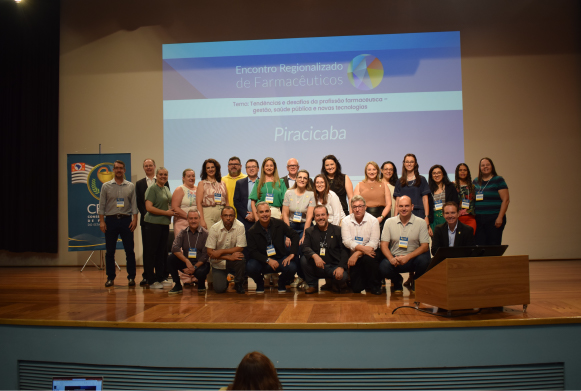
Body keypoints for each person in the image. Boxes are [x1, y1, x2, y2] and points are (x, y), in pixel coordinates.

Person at [98, 160, 138, 287]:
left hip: (126, 220)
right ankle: (110, 277)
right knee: (110, 251)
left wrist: (135, 219)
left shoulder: (130, 186)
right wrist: (102, 221)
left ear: (124, 170)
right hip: (111, 221)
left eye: (121, 168)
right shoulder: (106, 186)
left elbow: (134, 205)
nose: (119, 170)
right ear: (113, 170)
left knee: (130, 251)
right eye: (116, 168)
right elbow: (102, 205)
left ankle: (131, 277)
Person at [392, 154, 429, 288]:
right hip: (402, 214)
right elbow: (397, 201)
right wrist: (396, 216)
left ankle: (415, 279)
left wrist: (426, 217)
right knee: (406, 244)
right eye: (407, 162)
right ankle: (409, 278)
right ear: (404, 163)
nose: (409, 164)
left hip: (418, 213)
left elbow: (425, 199)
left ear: (415, 164)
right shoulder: (400, 181)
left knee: (418, 246)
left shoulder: (422, 180)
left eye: (411, 162)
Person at [379, 195, 430, 293]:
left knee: (425, 260)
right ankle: (397, 280)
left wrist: (408, 257)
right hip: (395, 259)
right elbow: (383, 245)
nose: (403, 209)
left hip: (413, 258)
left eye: (406, 206)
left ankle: (416, 281)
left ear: (412, 207)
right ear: (397, 207)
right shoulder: (389, 222)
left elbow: (425, 247)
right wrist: (391, 258)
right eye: (401, 206)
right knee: (383, 267)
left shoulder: (421, 222)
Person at [246, 201, 298, 293]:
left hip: (279, 259)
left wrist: (292, 254)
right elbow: (253, 252)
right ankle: (259, 283)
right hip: (262, 261)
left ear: (270, 212)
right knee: (250, 266)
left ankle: (281, 282)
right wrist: (268, 260)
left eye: (266, 211)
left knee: (292, 266)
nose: (264, 214)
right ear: (257, 214)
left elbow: (295, 235)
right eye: (261, 212)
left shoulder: (279, 224)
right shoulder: (252, 231)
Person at [136, 158, 169, 286]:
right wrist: (149, 215)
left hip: (162, 222)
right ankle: (149, 277)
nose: (148, 167)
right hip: (148, 222)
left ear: (154, 166)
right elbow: (140, 203)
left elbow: (167, 200)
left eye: (150, 165)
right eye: (146, 166)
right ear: (143, 168)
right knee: (149, 251)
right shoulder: (139, 184)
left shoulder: (163, 182)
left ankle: (161, 276)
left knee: (161, 250)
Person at [301, 205, 349, 294]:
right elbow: (305, 247)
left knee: (343, 277)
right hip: (318, 267)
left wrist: (341, 267)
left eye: (323, 215)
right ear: (314, 217)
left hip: (334, 266)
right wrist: (314, 256)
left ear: (327, 215)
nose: (320, 218)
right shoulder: (309, 231)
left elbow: (344, 251)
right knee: (304, 259)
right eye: (317, 215)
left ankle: (334, 283)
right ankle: (313, 285)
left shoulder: (338, 230)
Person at [340, 195, 382, 295]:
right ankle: (363, 282)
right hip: (354, 255)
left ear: (365, 207)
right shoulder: (346, 221)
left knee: (369, 258)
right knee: (356, 288)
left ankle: (375, 285)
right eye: (354, 207)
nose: (357, 209)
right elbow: (347, 241)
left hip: (369, 253)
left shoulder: (373, 221)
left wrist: (357, 253)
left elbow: (374, 243)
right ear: (352, 208)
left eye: (360, 206)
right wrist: (360, 251)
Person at [143, 167, 176, 288]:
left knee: (161, 252)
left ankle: (161, 278)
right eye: (161, 174)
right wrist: (166, 213)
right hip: (153, 224)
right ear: (157, 176)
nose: (163, 176)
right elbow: (149, 207)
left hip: (164, 224)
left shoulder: (166, 188)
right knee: (151, 253)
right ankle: (151, 280)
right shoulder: (152, 189)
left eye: (165, 174)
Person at [282, 169, 315, 288]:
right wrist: (288, 233)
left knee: (302, 249)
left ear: (307, 181)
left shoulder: (311, 194)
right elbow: (285, 214)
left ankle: (303, 278)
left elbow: (310, 216)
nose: (302, 180)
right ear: (296, 178)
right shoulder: (288, 193)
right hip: (290, 226)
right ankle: (297, 277)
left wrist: (305, 234)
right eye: (300, 177)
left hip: (305, 226)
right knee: (292, 250)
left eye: (305, 178)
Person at [167, 209, 210, 294]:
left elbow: (206, 255)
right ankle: (177, 285)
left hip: (200, 263)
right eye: (191, 218)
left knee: (201, 271)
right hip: (187, 263)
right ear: (187, 219)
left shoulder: (205, 234)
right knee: (170, 259)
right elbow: (175, 248)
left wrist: (194, 268)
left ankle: (201, 285)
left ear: (199, 219)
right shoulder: (182, 233)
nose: (193, 221)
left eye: (195, 218)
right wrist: (186, 262)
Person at [205, 206, 247, 294]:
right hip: (218, 262)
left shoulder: (240, 226)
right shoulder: (214, 228)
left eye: (231, 215)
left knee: (241, 259)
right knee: (219, 289)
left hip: (232, 260)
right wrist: (229, 257)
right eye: (225, 215)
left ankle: (238, 284)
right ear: (221, 217)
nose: (228, 218)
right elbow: (209, 252)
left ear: (234, 216)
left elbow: (240, 247)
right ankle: (225, 280)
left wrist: (221, 251)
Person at [473, 157, 510, 245]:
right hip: (478, 218)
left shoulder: (498, 180)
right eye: (483, 165)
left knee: (493, 245)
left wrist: (500, 217)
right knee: (480, 245)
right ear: (480, 168)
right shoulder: (475, 181)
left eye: (487, 165)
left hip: (494, 218)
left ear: (492, 166)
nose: (485, 167)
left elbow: (506, 200)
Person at [354, 161, 391, 231]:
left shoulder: (384, 185)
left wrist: (381, 218)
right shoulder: (359, 185)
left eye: (374, 169)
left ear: (377, 171)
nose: (372, 172)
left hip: (381, 219)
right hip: (363, 219)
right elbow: (354, 204)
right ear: (366, 171)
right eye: (369, 169)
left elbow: (389, 204)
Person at [196, 158, 228, 230]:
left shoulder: (223, 183)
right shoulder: (202, 184)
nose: (210, 169)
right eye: (208, 168)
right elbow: (198, 203)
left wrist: (227, 215)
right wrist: (201, 220)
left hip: (222, 213)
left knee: (222, 237)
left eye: (212, 167)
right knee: (211, 238)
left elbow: (227, 202)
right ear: (205, 170)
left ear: (216, 168)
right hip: (208, 214)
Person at [427, 164, 459, 236]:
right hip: (433, 221)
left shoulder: (450, 187)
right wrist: (428, 226)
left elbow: (456, 203)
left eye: (439, 172)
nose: (436, 175)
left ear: (443, 174)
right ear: (431, 176)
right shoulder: (428, 189)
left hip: (448, 218)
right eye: (434, 173)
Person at [233, 159, 260, 232]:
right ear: (246, 169)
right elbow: (236, 201)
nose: (251, 169)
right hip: (243, 219)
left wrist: (255, 214)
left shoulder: (263, 183)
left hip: (260, 218)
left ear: (258, 169)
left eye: (253, 166)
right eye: (248, 167)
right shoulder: (239, 183)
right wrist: (246, 215)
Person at [171, 168, 197, 236]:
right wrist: (189, 217)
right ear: (183, 178)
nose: (191, 178)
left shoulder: (198, 188)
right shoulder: (179, 189)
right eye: (188, 176)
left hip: (196, 223)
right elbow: (175, 207)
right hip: (182, 223)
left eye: (193, 176)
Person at [454, 163, 477, 233]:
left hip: (471, 218)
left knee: (470, 240)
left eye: (465, 170)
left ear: (468, 172)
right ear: (457, 172)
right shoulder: (453, 186)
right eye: (460, 170)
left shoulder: (473, 187)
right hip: (457, 219)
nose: (462, 172)